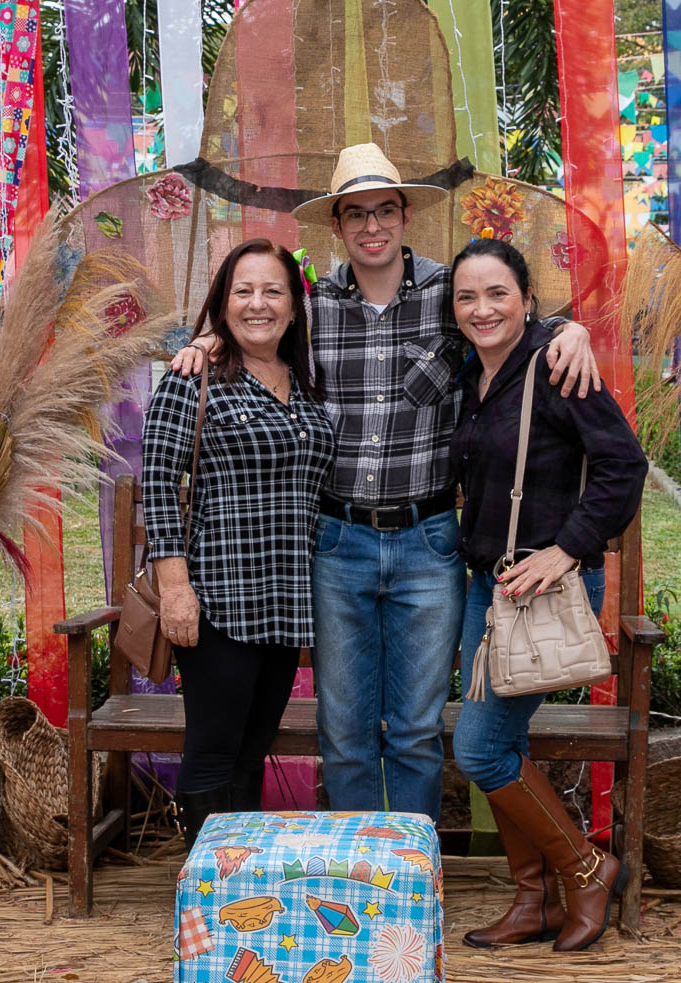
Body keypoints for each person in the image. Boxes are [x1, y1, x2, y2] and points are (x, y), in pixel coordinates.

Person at [170, 143, 601, 824]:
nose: (372, 226)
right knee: (343, 733)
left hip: (428, 541)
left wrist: (569, 330)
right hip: (336, 542)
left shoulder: (447, 294)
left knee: (415, 730)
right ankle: (354, 869)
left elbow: (510, 319)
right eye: (356, 214)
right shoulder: (311, 306)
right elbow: (253, 329)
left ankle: (410, 869)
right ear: (336, 225)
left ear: (405, 216)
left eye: (384, 211)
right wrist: (206, 342)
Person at [447, 238, 647, 952]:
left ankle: (586, 869)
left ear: (527, 300)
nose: (482, 309)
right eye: (466, 297)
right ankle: (532, 900)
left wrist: (566, 550)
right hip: (489, 589)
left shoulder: (558, 366)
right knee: (500, 743)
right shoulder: (468, 373)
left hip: (542, 589)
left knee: (479, 750)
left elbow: (624, 465)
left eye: (497, 293)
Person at [141, 238, 337, 843]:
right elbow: (157, 484)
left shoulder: (305, 382)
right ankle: (202, 882)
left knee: (252, 752)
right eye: (243, 291)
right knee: (213, 751)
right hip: (219, 600)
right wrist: (175, 590)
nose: (258, 304)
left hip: (287, 602)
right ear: (222, 304)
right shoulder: (193, 379)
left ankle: (238, 880)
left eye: (273, 291)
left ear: (294, 306)